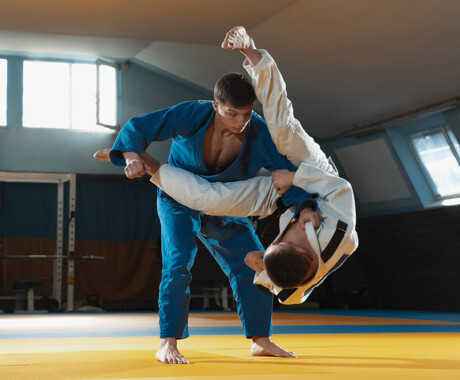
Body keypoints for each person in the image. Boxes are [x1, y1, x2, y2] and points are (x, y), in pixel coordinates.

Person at [96, 26, 358, 305]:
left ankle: (154, 167)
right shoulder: (338, 234)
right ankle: (252, 52)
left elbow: (291, 295)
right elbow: (341, 188)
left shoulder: (304, 268)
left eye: (278, 242)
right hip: (317, 176)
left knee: (208, 199)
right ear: (307, 253)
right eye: (286, 241)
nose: (287, 233)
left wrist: (263, 268)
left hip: (286, 195)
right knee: (281, 128)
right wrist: (296, 179)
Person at [98, 28, 314, 364]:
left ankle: (260, 338)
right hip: (178, 198)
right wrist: (130, 156)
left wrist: (306, 208)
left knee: (253, 263)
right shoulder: (194, 114)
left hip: (226, 203)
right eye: (231, 114)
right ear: (216, 105)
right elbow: (141, 126)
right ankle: (167, 341)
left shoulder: (259, 133)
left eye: (246, 113)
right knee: (178, 264)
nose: (240, 121)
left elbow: (291, 179)